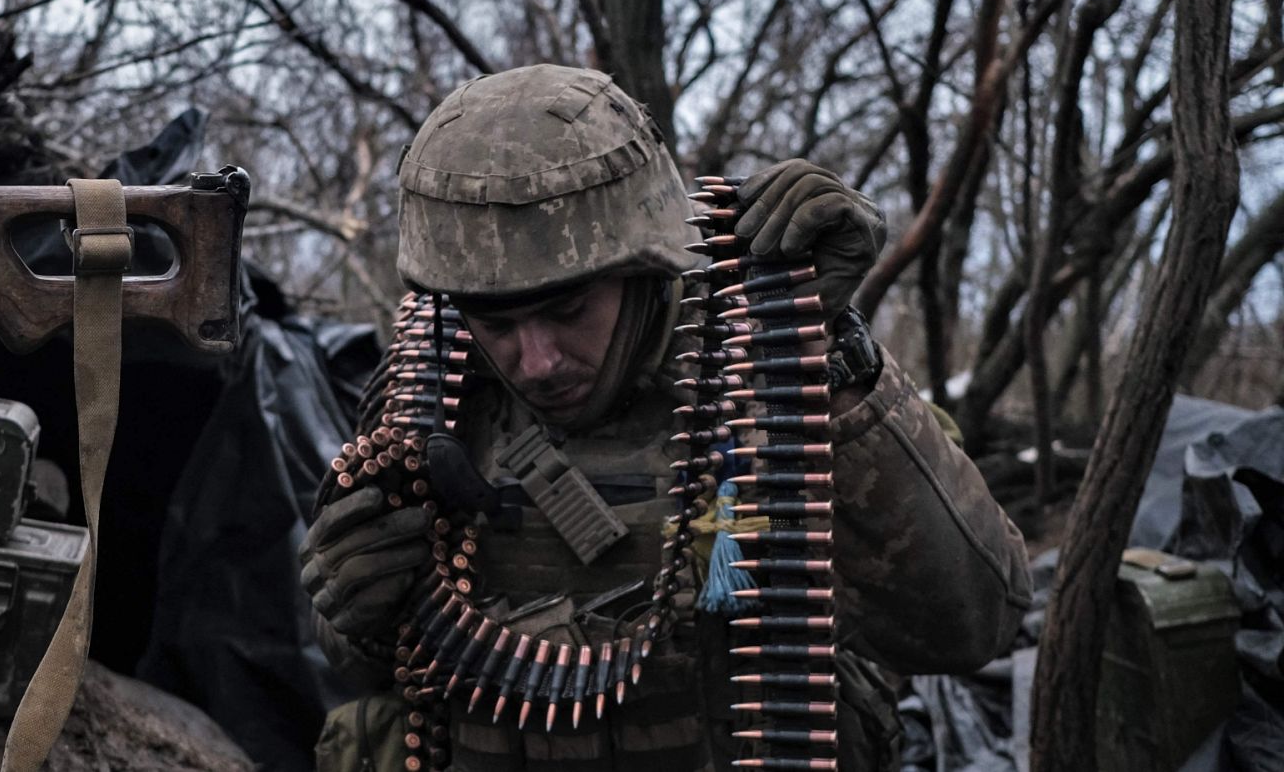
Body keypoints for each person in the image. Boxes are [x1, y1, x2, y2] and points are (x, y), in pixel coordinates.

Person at [301, 64, 1032, 771]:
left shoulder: (764, 368)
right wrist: (355, 611)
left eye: (568, 309)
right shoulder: (432, 392)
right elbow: (387, 668)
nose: (537, 362)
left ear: (646, 266)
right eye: (496, 323)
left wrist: (829, 352)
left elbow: (974, 626)